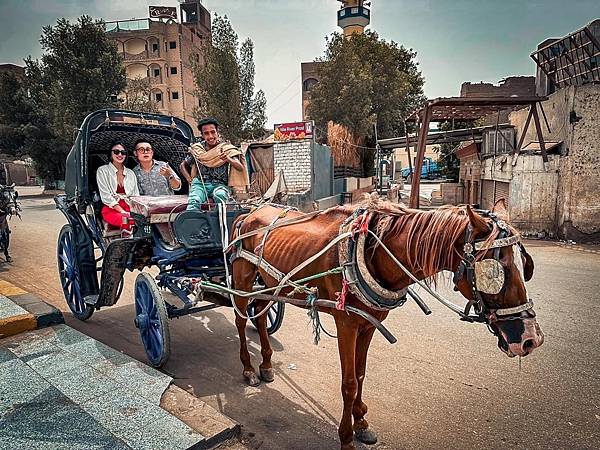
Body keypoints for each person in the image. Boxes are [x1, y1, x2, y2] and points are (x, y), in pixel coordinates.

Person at [179, 117, 248, 210]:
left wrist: (228, 159)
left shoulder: (226, 148)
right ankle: (192, 223)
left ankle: (219, 223)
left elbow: (240, 167)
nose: (210, 136)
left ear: (217, 132)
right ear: (202, 135)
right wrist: (189, 179)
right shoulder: (198, 149)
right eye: (206, 133)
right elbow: (183, 165)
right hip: (200, 184)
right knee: (194, 200)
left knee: (220, 196)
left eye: (213, 132)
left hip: (220, 185)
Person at [96, 141, 139, 230]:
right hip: (111, 208)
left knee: (144, 220)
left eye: (123, 153)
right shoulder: (102, 170)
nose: (120, 155)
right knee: (126, 220)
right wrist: (122, 211)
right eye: (116, 152)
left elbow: (136, 195)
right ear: (111, 154)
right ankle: (127, 242)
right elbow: (106, 196)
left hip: (129, 206)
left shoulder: (131, 173)